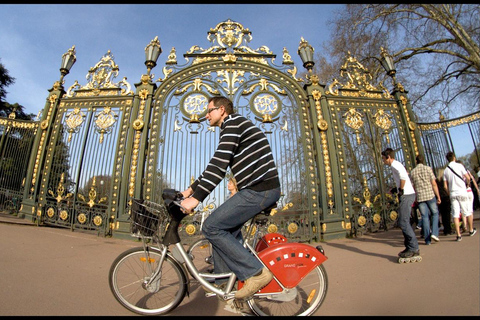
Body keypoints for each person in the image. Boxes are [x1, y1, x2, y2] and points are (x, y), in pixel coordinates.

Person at [179, 96, 281, 301]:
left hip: (259, 190)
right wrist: (188, 191)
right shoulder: (233, 126)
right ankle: (224, 282)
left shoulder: (233, 123)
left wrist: (196, 199)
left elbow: (219, 164)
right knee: (226, 229)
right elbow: (215, 165)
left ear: (222, 110)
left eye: (209, 110)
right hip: (256, 189)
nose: (205, 115)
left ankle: (256, 273)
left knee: (211, 226)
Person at [381, 148, 420, 258]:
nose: (383, 161)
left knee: (403, 222)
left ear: (388, 157)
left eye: (384, 159)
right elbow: (403, 177)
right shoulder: (396, 165)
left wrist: (401, 190)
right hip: (406, 194)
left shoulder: (395, 165)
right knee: (403, 221)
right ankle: (409, 246)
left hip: (407, 195)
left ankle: (413, 247)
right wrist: (396, 189)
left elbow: (403, 177)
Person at [443, 152, 476, 241]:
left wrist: (449, 192)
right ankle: (471, 230)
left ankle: (458, 235)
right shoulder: (459, 166)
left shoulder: (446, 170)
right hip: (462, 191)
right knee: (467, 211)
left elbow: (445, 186)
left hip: (453, 193)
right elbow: (468, 178)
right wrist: (467, 184)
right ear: (454, 157)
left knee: (455, 214)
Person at [409, 154, 441, 245]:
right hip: (430, 195)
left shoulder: (413, 172)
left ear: (416, 161)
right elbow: (434, 184)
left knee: (424, 217)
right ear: (423, 160)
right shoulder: (428, 169)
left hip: (420, 197)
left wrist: (415, 197)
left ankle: (427, 240)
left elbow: (413, 186)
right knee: (435, 213)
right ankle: (434, 233)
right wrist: (438, 196)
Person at [436, 168, 453, 235]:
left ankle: (445, 229)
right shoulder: (445, 180)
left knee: (442, 215)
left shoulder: (436, 180)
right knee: (447, 214)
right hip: (446, 197)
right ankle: (448, 229)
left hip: (440, 197)